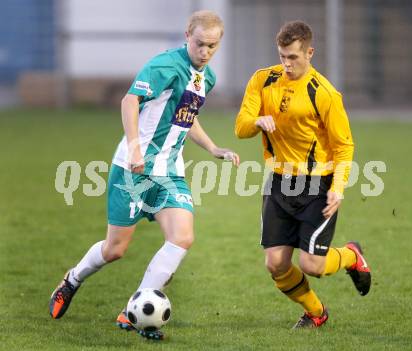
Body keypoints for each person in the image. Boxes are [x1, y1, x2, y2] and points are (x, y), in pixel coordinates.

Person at [49, 10, 239, 340]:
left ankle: (134, 310)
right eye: (199, 44)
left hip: (169, 172)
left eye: (212, 46)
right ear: (187, 35)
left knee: (182, 237)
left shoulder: (206, 78)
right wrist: (136, 148)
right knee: (115, 249)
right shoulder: (164, 65)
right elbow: (130, 101)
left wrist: (212, 148)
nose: (205, 52)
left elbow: (185, 116)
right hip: (132, 169)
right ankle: (73, 279)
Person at [234, 21, 370, 329]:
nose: (286, 63)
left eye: (293, 57)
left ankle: (351, 256)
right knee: (276, 264)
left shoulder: (325, 94)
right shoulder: (262, 80)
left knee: (313, 266)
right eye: (282, 56)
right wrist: (257, 122)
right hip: (280, 182)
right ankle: (315, 312)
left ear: (309, 52)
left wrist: (338, 188)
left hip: (318, 185)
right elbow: (240, 126)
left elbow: (344, 146)